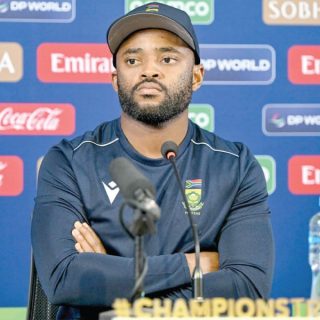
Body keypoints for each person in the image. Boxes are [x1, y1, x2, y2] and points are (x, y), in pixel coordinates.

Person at [31, 2, 274, 320]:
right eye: (132, 59)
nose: (149, 70)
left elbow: (248, 289)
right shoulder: (68, 162)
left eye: (168, 58)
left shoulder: (236, 166)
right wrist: (194, 264)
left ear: (197, 76)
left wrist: (117, 284)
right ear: (116, 79)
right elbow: (65, 279)